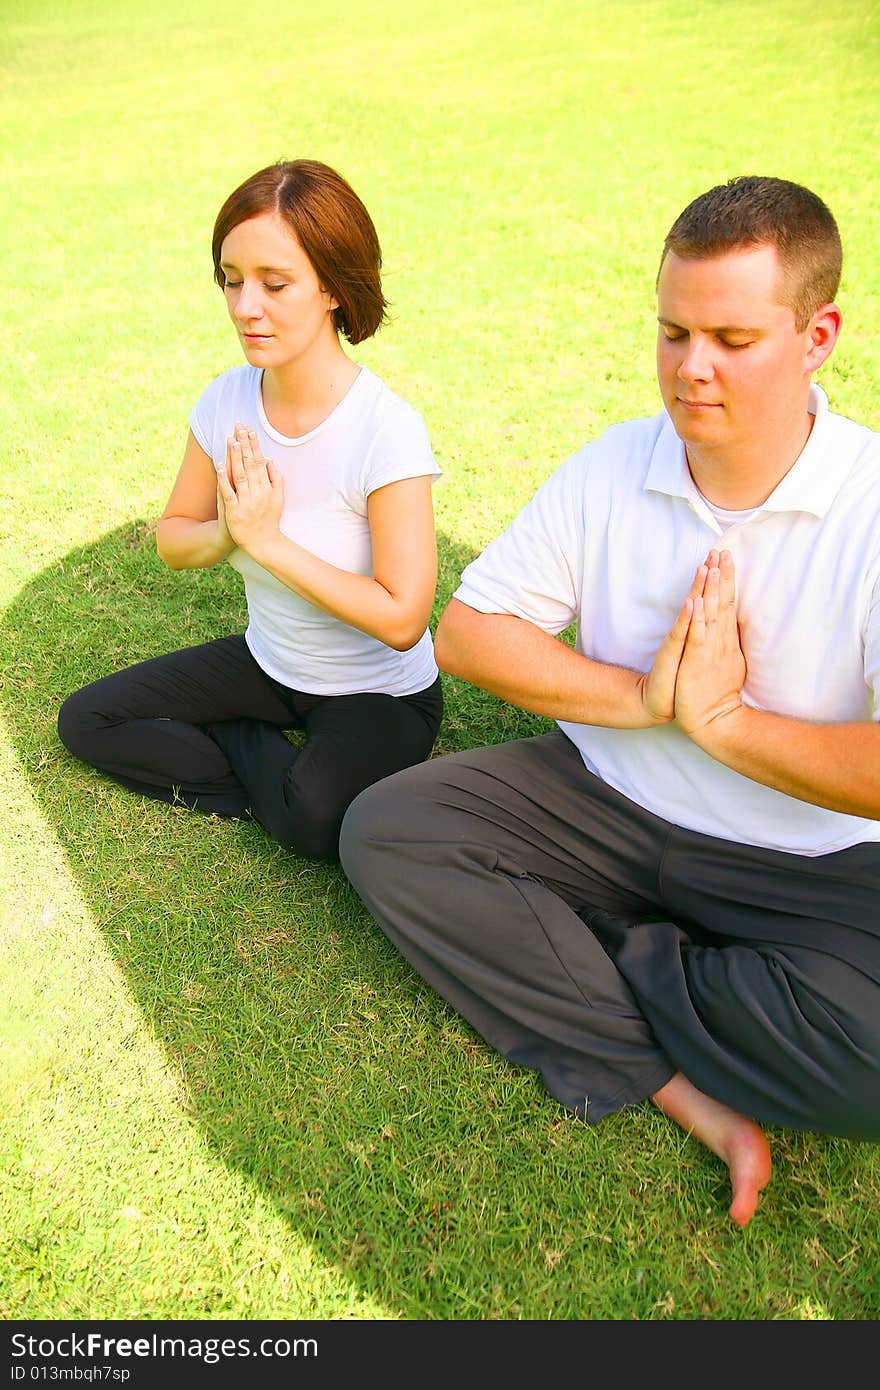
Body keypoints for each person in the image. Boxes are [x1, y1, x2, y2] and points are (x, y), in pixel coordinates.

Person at [340, 175, 880, 1227]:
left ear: (817, 335)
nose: (691, 368)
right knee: (389, 830)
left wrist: (726, 725)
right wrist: (646, 698)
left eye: (731, 336)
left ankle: (591, 946)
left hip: (809, 862)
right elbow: (468, 633)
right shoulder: (613, 466)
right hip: (600, 799)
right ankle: (673, 1078)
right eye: (672, 331)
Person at [58, 159, 442, 861]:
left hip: (378, 695)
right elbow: (175, 540)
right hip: (269, 664)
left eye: (274, 283)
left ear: (331, 286)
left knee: (316, 824)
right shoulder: (226, 401)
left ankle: (238, 743)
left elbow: (403, 617)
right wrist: (229, 533)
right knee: (89, 721)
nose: (244, 306)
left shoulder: (385, 429)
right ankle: (260, 755)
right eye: (232, 280)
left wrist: (268, 545)